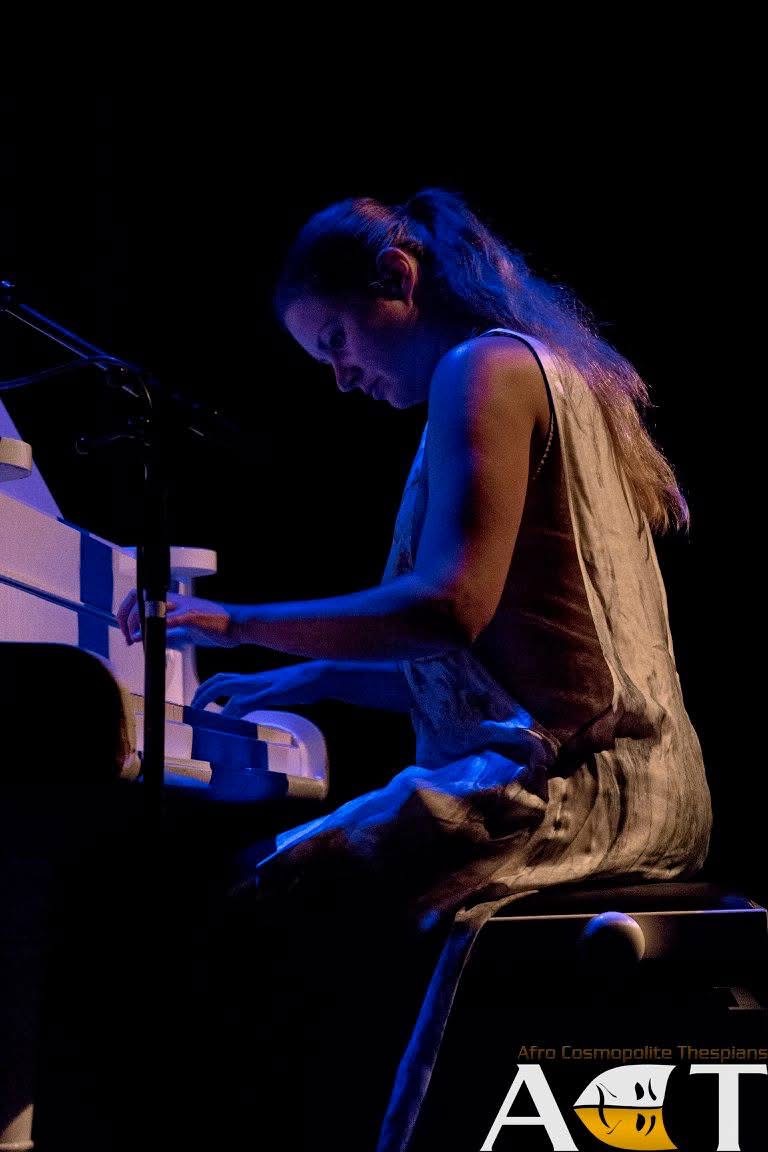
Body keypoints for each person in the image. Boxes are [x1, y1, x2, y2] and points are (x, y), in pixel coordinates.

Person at [118, 188, 712, 1151]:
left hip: (566, 795)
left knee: (247, 913)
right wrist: (304, 680)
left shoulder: (485, 369)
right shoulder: (558, 372)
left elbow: (446, 608)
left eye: (338, 341)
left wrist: (232, 621)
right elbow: (514, 662)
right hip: (647, 784)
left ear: (398, 278)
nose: (341, 377)